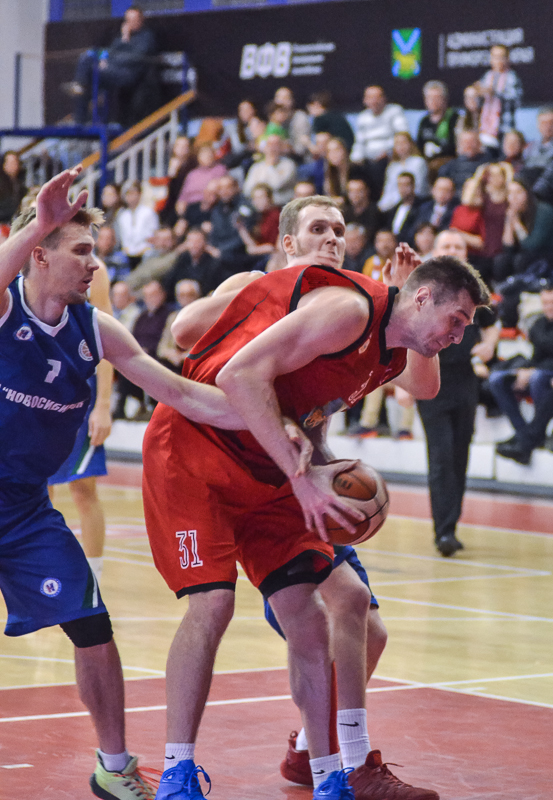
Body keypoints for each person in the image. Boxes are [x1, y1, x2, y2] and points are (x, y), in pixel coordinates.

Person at [143, 194, 488, 799]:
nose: (460, 336)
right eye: (456, 321)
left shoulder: (386, 340)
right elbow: (226, 366)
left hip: (276, 460)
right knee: (213, 606)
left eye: (340, 229)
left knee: (325, 613)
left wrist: (319, 464)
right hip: (198, 448)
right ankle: (177, 772)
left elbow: (377, 396)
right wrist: (259, 297)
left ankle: (331, 773)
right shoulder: (341, 307)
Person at [0, 166, 265, 800]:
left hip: (24, 511)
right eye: (81, 250)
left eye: (96, 251)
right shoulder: (7, 307)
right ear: (39, 254)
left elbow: (181, 393)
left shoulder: (95, 328)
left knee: (92, 625)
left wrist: (271, 421)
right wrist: (37, 221)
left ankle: (113, 766)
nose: (95, 264)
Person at [416, 230, 496, 557]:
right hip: (432, 380)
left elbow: (492, 324)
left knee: (460, 455)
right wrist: (403, 383)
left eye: (458, 246)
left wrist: (489, 346)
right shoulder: (422, 291)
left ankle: (451, 525)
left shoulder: (477, 290)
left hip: (465, 380)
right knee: (441, 455)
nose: (453, 250)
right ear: (436, 252)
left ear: (465, 252)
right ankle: (443, 531)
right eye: (447, 245)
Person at [48, 259, 113, 584]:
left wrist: (103, 405)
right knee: (33, 489)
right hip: (34, 388)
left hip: (78, 391)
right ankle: (40, 570)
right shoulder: (21, 262)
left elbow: (107, 341)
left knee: (83, 488)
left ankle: (93, 579)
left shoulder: (93, 269)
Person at [66, 5, 158, 127]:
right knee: (86, 58)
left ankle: (80, 85)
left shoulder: (146, 37)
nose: (130, 23)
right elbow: (110, 52)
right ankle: (79, 115)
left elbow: (134, 58)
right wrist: (104, 59)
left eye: (133, 20)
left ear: (141, 20)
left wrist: (125, 40)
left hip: (129, 74)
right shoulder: (120, 38)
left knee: (90, 74)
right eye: (128, 20)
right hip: (113, 70)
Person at [491, 285, 553, 464]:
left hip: (545, 375)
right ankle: (523, 434)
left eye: (552, 303)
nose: (548, 307)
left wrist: (534, 371)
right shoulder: (539, 325)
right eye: (545, 303)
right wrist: (526, 370)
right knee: (498, 380)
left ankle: (528, 441)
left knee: (538, 379)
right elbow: (537, 356)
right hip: (542, 370)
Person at [350, 85, 408, 198]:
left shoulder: (394, 111)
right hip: (368, 159)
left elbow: (403, 135)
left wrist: (389, 151)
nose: (374, 101)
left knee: (378, 167)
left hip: (388, 156)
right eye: (370, 98)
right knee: (354, 170)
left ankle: (378, 199)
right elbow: (359, 143)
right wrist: (355, 160)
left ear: (384, 99)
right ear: (365, 101)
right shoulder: (362, 117)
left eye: (377, 97)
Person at [473, 45, 523, 155]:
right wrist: (476, 93)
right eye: (495, 57)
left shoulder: (512, 77)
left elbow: (515, 100)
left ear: (507, 59)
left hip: (505, 127)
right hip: (487, 129)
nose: (498, 60)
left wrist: (494, 92)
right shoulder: (487, 76)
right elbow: (481, 102)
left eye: (501, 57)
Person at [416, 81, 459, 178]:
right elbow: (419, 144)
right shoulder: (424, 121)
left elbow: (455, 145)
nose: (433, 101)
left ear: (445, 99)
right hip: (426, 160)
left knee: (435, 167)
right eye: (430, 98)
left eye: (437, 98)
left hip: (448, 159)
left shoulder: (453, 118)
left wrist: (438, 150)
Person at [378, 133, 429, 212]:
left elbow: (418, 188)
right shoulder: (392, 166)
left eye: (404, 143)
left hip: (414, 203)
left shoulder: (418, 162)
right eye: (398, 144)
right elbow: (388, 189)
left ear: (411, 144)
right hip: (393, 204)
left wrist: (397, 202)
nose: (401, 146)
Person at [243, 134, 297, 206]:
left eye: (276, 144)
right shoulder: (257, 167)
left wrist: (271, 166)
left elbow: (276, 185)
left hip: (280, 204)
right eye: (269, 144)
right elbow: (247, 190)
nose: (272, 148)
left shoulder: (288, 164)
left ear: (282, 147)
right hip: (258, 205)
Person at [118, 180, 159, 270]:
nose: (131, 196)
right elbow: (123, 237)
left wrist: (142, 249)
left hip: (144, 252)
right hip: (128, 253)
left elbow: (152, 235)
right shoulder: (123, 216)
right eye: (128, 194)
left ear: (140, 194)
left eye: (133, 193)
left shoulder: (148, 212)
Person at [382, 172, 424, 245]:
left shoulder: (422, 207)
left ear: (413, 186)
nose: (403, 189)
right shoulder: (394, 209)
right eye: (400, 185)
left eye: (406, 185)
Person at [0, 151, 26, 225]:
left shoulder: (18, 182)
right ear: (4, 165)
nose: (15, 166)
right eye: (11, 163)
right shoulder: (2, 183)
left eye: (16, 162)